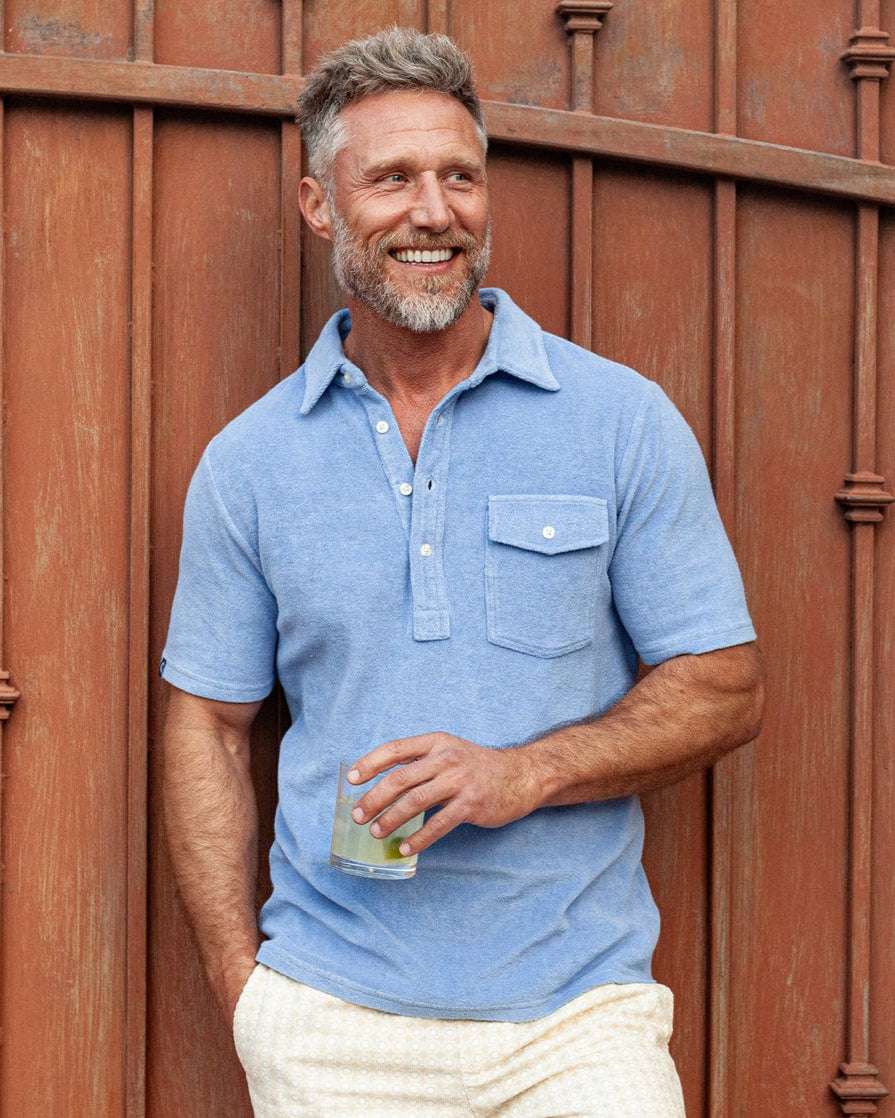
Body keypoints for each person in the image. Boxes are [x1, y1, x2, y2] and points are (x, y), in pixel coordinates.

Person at [159, 26, 764, 1118]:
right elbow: (207, 723)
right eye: (392, 179)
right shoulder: (250, 462)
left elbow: (724, 687)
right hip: (331, 1025)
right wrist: (243, 988)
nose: (433, 211)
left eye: (460, 177)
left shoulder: (618, 421)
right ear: (319, 205)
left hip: (579, 1021)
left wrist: (521, 772)